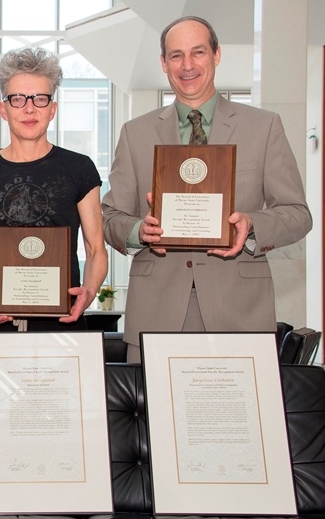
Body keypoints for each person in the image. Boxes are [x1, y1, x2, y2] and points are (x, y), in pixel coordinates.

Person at [101, 16, 312, 362]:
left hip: (240, 311)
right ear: (163, 63)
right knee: (157, 417)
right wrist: (140, 230)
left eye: (198, 52)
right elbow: (109, 216)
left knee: (235, 416)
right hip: (156, 310)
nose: (187, 65)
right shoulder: (134, 133)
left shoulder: (263, 127)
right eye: (176, 55)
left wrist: (252, 224)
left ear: (216, 55)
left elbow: (297, 214)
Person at [0, 47, 108, 331]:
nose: (29, 108)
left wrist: (88, 292)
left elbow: (96, 247)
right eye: (18, 99)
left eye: (40, 99)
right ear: (3, 109)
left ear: (53, 109)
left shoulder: (80, 168)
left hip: (61, 320)